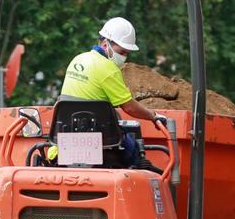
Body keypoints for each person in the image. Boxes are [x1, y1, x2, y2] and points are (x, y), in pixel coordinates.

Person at [59, 17, 166, 169]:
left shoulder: (78, 59)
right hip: (99, 143)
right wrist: (153, 117)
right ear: (105, 44)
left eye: (126, 54)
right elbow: (129, 107)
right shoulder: (109, 69)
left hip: (66, 140)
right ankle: (143, 167)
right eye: (121, 52)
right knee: (133, 147)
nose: (123, 57)